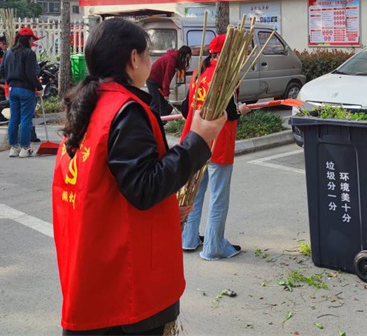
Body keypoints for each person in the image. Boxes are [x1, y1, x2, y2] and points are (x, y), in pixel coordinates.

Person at [53, 18, 225, 335]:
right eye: (147, 53)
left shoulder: (92, 104)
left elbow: (110, 186)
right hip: (125, 286)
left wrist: (166, 211)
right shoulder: (126, 110)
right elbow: (144, 188)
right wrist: (198, 140)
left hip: (94, 268)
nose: (150, 60)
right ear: (134, 58)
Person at [180, 34, 250, 260]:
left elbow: (185, 108)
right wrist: (242, 110)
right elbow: (230, 113)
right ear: (227, 53)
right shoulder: (226, 78)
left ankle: (188, 238)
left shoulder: (198, 74)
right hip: (218, 144)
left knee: (195, 193)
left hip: (195, 141)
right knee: (218, 196)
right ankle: (213, 246)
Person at [0, 27, 42, 158]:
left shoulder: (8, 52)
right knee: (25, 119)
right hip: (26, 89)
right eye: (32, 39)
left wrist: (10, 80)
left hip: (12, 89)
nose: (32, 42)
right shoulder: (29, 53)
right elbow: (30, 74)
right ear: (28, 39)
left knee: (14, 118)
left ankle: (14, 148)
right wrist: (39, 87)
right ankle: (25, 148)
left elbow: (1, 71)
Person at [147, 45, 192, 117]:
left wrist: (166, 94)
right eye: (185, 58)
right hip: (152, 79)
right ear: (182, 55)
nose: (185, 61)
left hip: (159, 81)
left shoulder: (175, 59)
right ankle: (153, 121)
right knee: (155, 103)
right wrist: (166, 94)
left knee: (163, 103)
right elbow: (167, 79)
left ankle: (163, 121)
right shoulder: (171, 61)